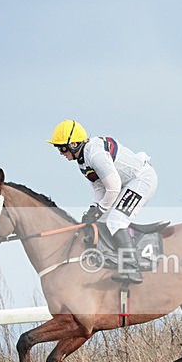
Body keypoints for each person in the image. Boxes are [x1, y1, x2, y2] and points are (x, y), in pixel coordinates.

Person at [47, 119, 157, 284]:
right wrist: (93, 209)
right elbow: (100, 187)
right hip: (125, 184)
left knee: (116, 220)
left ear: (75, 144)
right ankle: (114, 259)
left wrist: (100, 208)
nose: (61, 153)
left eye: (62, 148)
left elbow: (113, 188)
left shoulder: (95, 155)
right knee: (102, 221)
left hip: (141, 180)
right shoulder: (82, 160)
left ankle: (132, 268)